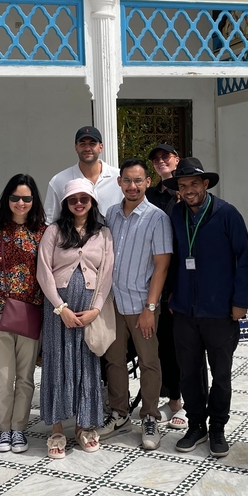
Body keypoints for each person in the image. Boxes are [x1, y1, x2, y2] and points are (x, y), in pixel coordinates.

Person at [166, 158, 248, 458]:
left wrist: (240, 302)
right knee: (189, 373)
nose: (188, 190)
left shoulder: (227, 214)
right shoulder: (175, 214)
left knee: (221, 375)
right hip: (184, 311)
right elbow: (172, 258)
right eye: (182, 185)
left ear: (205, 184)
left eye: (193, 183)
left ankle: (217, 427)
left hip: (220, 311)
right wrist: (171, 296)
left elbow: (243, 259)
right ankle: (196, 425)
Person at [37, 178, 114, 458]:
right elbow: (43, 272)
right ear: (66, 204)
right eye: (73, 200)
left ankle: (83, 425)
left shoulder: (103, 233)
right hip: (60, 310)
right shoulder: (55, 231)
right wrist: (60, 308)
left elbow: (106, 273)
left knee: (86, 364)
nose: (79, 204)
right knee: (58, 363)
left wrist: (96, 308)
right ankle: (57, 428)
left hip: (89, 307)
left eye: (84, 199)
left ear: (92, 201)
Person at [102, 157, 173, 450]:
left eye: (138, 180)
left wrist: (150, 308)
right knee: (114, 360)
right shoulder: (111, 214)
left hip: (141, 305)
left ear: (147, 183)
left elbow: (161, 266)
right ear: (120, 182)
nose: (132, 186)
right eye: (127, 180)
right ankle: (119, 412)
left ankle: (150, 416)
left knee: (149, 362)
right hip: (113, 303)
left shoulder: (157, 218)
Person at [0, 174, 46, 455]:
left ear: (34, 201)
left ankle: (18, 429)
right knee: (1, 377)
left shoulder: (43, 232)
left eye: (27, 198)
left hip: (30, 312)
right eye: (15, 197)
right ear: (7, 199)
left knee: (25, 376)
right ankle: (4, 429)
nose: (21, 203)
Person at [146, 143, 187, 430]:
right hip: (155, 281)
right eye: (156, 159)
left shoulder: (189, 193)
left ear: (177, 160)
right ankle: (172, 398)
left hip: (183, 280)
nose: (161, 161)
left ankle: (186, 403)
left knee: (186, 345)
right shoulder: (150, 196)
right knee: (164, 345)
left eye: (166, 157)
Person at [43, 125, 122, 224]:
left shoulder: (119, 178)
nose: (87, 148)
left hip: (112, 238)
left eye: (92, 143)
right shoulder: (58, 181)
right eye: (82, 144)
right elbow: (50, 221)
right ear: (76, 147)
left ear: (101, 147)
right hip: (72, 238)